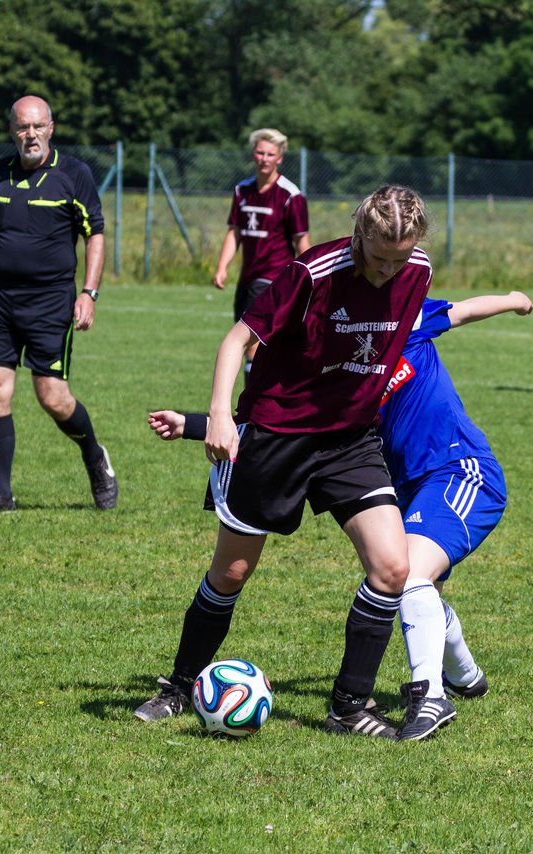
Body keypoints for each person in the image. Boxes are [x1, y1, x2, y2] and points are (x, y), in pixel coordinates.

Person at [134, 185, 433, 740]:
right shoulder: (313, 272)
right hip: (276, 437)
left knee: (392, 567)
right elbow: (235, 341)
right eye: (379, 256)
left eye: (400, 258)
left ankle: (348, 707)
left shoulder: (418, 270)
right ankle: (179, 685)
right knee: (231, 573)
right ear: (359, 232)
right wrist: (217, 417)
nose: (390, 270)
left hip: (350, 441)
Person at [0, 95, 116, 515]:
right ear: (12, 131)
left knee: (52, 397)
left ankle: (94, 454)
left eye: (38, 126)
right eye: (23, 127)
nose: (30, 135)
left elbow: (94, 235)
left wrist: (88, 293)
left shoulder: (74, 175)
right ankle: (1, 493)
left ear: (51, 129)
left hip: (50, 303)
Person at [379, 290, 533, 740]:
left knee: (408, 575)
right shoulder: (346, 363)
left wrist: (512, 300)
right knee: (419, 589)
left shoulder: (405, 317)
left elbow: (463, 311)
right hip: (411, 487)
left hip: (461, 470)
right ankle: (465, 677)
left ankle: (429, 696)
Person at [212, 128, 310, 365]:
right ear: (253, 155)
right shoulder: (242, 191)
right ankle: (256, 400)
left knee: (252, 344)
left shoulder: (290, 195)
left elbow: (301, 242)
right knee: (249, 343)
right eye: (260, 153)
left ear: (280, 158)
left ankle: (252, 403)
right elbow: (234, 232)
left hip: (273, 278)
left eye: (270, 154)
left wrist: (310, 279)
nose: (264, 158)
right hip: (247, 279)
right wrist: (222, 267)